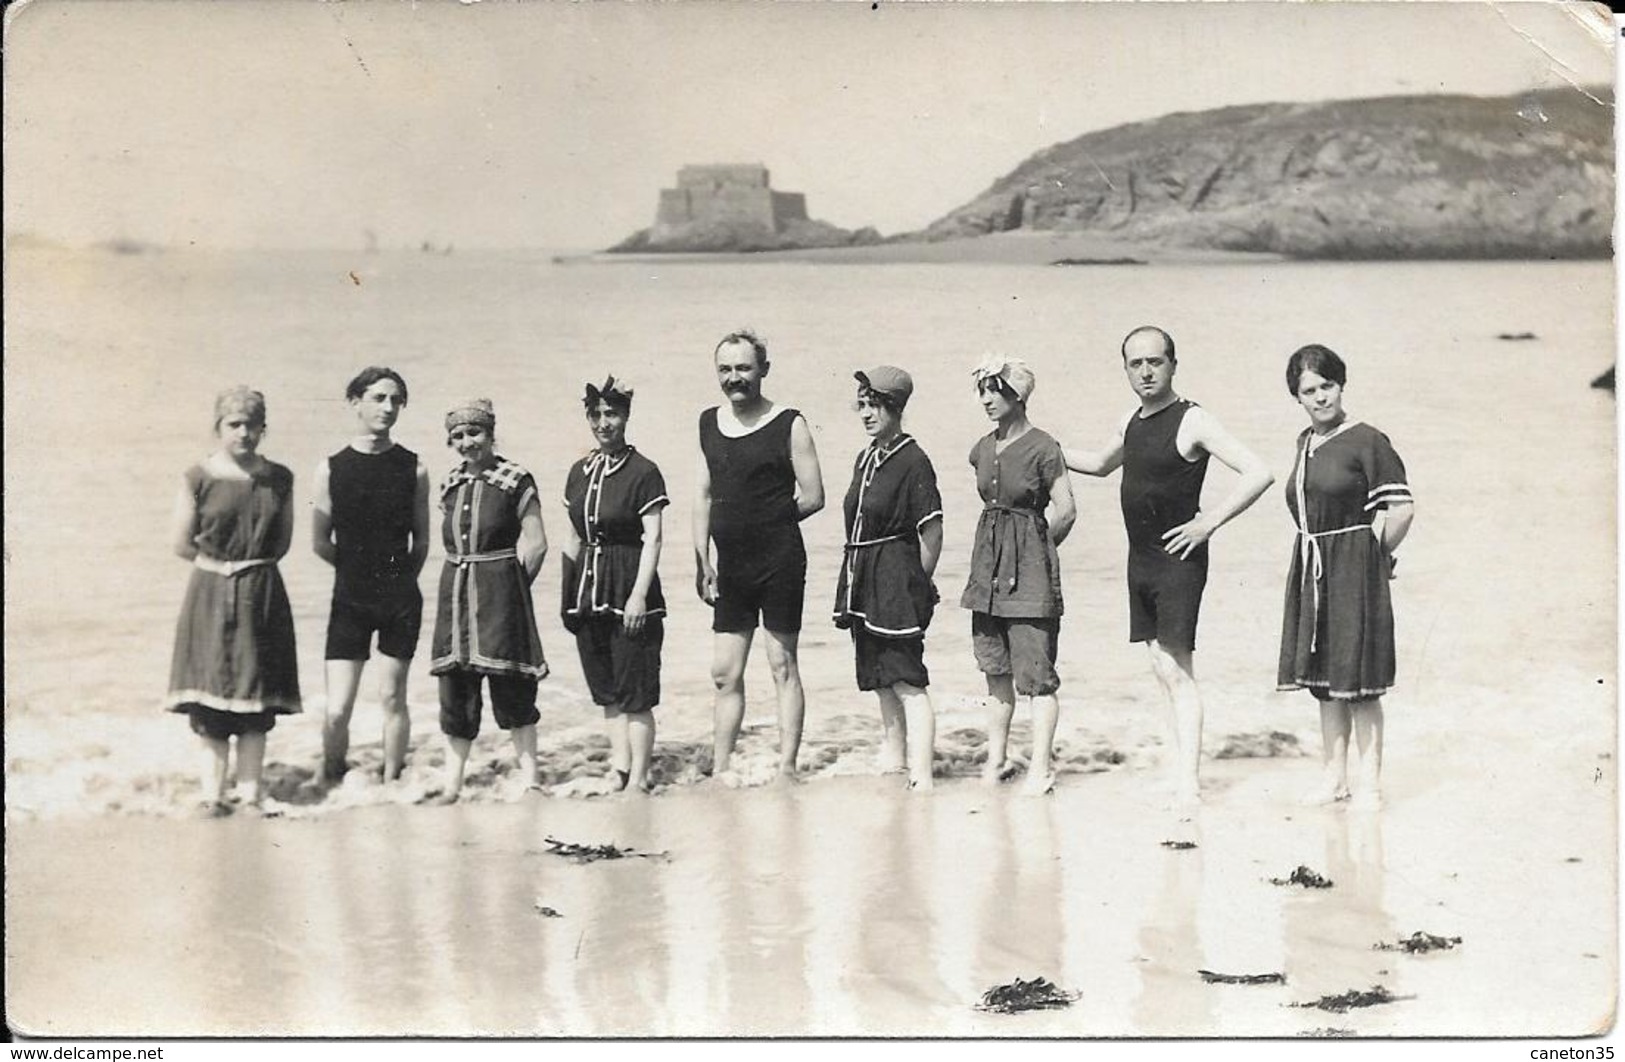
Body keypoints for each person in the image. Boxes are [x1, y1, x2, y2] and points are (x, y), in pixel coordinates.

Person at [1062, 326, 1274, 806]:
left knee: (1178, 669)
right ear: (1126, 370)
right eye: (1135, 364)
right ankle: (1175, 769)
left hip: (1179, 560)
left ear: (1173, 364)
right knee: (1160, 667)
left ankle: (1189, 783)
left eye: (1155, 361)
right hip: (1140, 561)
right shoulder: (1131, 421)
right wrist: (1040, 447)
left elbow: (1259, 471)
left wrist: (1209, 523)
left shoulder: (1192, 419)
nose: (1146, 371)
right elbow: (1098, 464)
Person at [1277, 344, 1413, 809]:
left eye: (1326, 386)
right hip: (1313, 565)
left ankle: (1370, 785)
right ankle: (1334, 778)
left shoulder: (1368, 440)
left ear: (1341, 385)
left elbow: (1401, 509)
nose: (1319, 398)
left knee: (1361, 683)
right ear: (1297, 397)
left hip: (1354, 566)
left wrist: (1375, 556)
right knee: (1326, 684)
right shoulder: (1304, 442)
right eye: (1308, 391)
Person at [694, 329, 825, 784]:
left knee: (781, 664)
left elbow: (814, 496)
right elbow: (703, 495)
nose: (735, 378)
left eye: (744, 368)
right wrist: (702, 560)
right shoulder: (709, 423)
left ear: (763, 370)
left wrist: (768, 523)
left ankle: (787, 767)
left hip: (779, 560)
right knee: (723, 673)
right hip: (729, 565)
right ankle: (721, 767)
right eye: (726, 370)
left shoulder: (790, 422)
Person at [164, 387, 301, 816]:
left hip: (260, 590)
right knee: (211, 698)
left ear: (264, 428)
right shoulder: (197, 477)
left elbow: (281, 542)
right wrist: (222, 569)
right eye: (234, 425)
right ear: (218, 427)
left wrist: (248, 570)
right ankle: (212, 794)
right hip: (209, 591)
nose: (244, 433)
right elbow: (181, 543)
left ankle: (251, 794)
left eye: (252, 425)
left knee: (255, 694)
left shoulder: (279, 478)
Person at [962, 354, 1077, 796]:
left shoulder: (1044, 447)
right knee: (994, 670)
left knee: (1036, 677)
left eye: (996, 391)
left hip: (1028, 575)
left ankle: (1042, 767)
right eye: (983, 391)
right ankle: (997, 759)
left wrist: (1038, 554)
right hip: (986, 571)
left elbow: (1066, 510)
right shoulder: (982, 448)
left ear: (1018, 396)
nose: (987, 400)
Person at [311, 366, 431, 785]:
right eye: (379, 397)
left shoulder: (414, 468)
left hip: (400, 600)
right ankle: (330, 778)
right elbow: (320, 542)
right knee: (338, 707)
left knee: (392, 696)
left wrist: (395, 579)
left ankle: (392, 781)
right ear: (355, 402)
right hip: (350, 599)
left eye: (396, 399)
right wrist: (356, 573)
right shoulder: (331, 468)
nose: (389, 407)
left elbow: (422, 544)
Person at [426, 399, 549, 803]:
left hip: (501, 597)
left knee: (513, 685)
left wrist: (512, 591)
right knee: (456, 690)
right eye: (458, 436)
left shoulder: (515, 478)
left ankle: (531, 780)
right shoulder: (449, 483)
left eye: (474, 433)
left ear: (491, 434)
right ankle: (453, 785)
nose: (467, 442)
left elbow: (537, 545)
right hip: (455, 598)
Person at [833, 367, 944, 791]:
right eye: (861, 405)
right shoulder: (866, 457)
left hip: (896, 577)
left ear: (895, 408)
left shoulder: (914, 459)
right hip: (864, 576)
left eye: (874, 405)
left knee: (906, 679)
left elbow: (932, 531)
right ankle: (895, 760)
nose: (865, 413)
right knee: (880, 676)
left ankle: (923, 776)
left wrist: (918, 585)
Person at [561, 377, 669, 795]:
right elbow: (572, 537)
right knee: (606, 691)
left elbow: (654, 538)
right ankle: (619, 768)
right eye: (597, 415)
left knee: (636, 692)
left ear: (626, 416)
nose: (604, 423)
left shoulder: (644, 472)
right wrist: (567, 597)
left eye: (612, 414)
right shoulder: (579, 472)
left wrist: (639, 595)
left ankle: (640, 777)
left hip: (629, 584)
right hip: (589, 590)